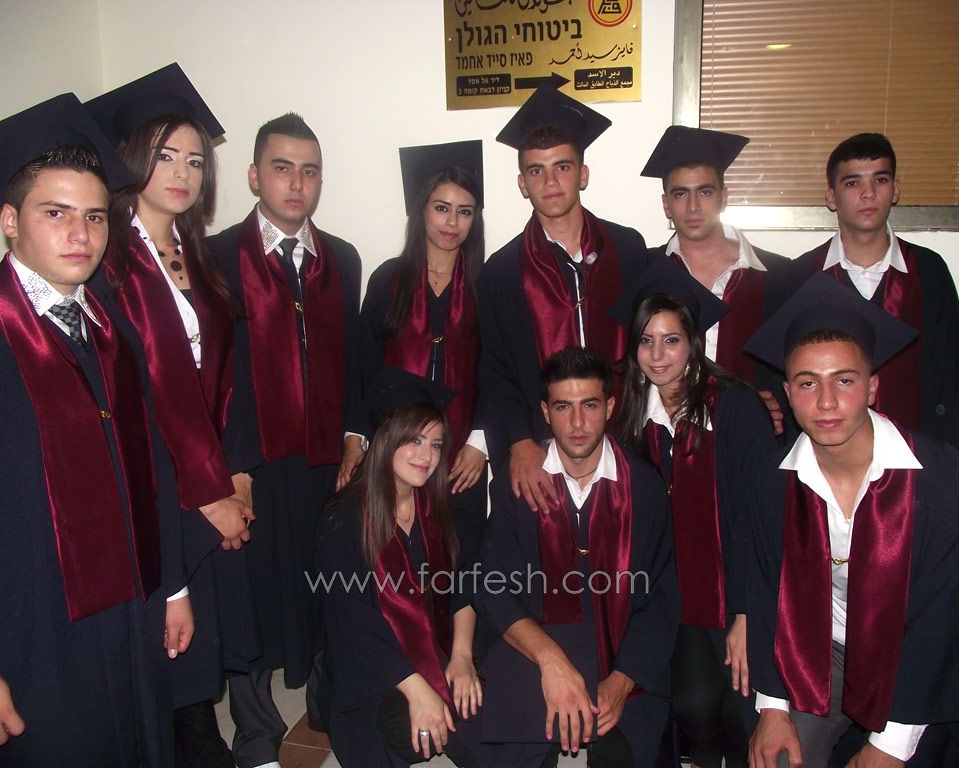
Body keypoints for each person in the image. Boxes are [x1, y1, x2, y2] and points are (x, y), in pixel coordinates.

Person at [0, 94, 190, 766]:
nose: (81, 234)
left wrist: (175, 587)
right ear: (10, 221)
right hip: (31, 630)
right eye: (56, 213)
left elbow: (154, 466)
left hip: (131, 612)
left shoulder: (112, 329)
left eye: (95, 216)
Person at [743, 274, 959, 768]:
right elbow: (767, 593)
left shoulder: (941, 480)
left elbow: (944, 622)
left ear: (873, 387)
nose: (826, 402)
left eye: (845, 380)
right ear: (787, 392)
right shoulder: (774, 482)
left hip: (913, 658)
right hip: (824, 652)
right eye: (808, 383)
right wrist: (772, 708)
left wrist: (889, 746)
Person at [86, 63, 256, 767]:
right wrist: (204, 497)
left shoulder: (199, 256)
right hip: (155, 484)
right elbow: (129, 401)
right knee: (167, 645)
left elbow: (230, 376)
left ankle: (199, 737)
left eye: (194, 160)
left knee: (201, 640)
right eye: (165, 156)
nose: (183, 172)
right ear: (133, 159)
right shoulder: (105, 264)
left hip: (211, 475)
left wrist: (238, 477)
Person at [206, 112, 362, 768]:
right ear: (253, 176)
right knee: (248, 589)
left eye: (309, 171)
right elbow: (212, 371)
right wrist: (233, 465)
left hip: (323, 456)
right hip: (252, 459)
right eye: (281, 168)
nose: (297, 184)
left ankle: (329, 703)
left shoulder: (342, 259)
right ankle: (256, 733)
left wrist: (354, 439)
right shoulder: (215, 257)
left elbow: (354, 360)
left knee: (322, 581)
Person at [609, 258, 779, 768]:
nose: (657, 355)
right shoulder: (631, 418)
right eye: (646, 341)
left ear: (694, 343)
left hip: (733, 585)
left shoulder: (736, 408)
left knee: (736, 710)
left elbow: (760, 519)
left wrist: (748, 613)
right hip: (670, 592)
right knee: (691, 706)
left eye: (671, 340)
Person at [475, 347, 679, 767]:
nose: (578, 423)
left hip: (620, 650)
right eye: (563, 407)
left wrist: (622, 682)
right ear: (545, 413)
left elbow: (661, 597)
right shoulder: (518, 486)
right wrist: (551, 661)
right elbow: (493, 586)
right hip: (537, 647)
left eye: (589, 405)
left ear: (610, 407)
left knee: (627, 756)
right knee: (499, 750)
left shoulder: (643, 488)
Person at [478, 83, 653, 515]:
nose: (551, 182)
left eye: (562, 166)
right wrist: (518, 441)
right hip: (541, 451)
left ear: (583, 174)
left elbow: (653, 344)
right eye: (536, 171)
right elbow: (495, 370)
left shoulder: (628, 250)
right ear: (522, 184)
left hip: (626, 441)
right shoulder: (502, 271)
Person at [788, 132, 959, 476]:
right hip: (825, 462)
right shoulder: (801, 275)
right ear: (831, 196)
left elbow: (954, 367)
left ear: (895, 190)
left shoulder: (928, 270)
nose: (868, 193)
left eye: (880, 180)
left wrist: (958, 465)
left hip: (914, 454)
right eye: (852, 183)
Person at [315, 371, 484, 768]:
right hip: (372, 673)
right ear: (385, 440)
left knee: (497, 717)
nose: (426, 456)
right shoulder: (343, 520)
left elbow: (463, 586)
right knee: (417, 730)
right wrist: (419, 690)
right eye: (414, 440)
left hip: (436, 649)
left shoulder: (441, 509)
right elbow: (355, 625)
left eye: (436, 444)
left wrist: (462, 656)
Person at [339, 139, 487, 570]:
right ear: (421, 209)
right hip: (395, 451)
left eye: (464, 211)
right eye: (442, 208)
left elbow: (495, 371)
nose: (452, 222)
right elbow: (363, 366)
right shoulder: (388, 279)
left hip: (461, 456)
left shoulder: (486, 284)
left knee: (459, 561)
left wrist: (479, 443)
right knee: (393, 560)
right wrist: (354, 441)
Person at [639, 125, 789, 413]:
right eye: (680, 194)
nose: (693, 207)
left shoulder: (779, 277)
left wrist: (776, 404)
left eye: (705, 192)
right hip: (663, 432)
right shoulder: (646, 271)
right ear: (666, 205)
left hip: (750, 431)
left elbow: (793, 365)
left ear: (724, 197)